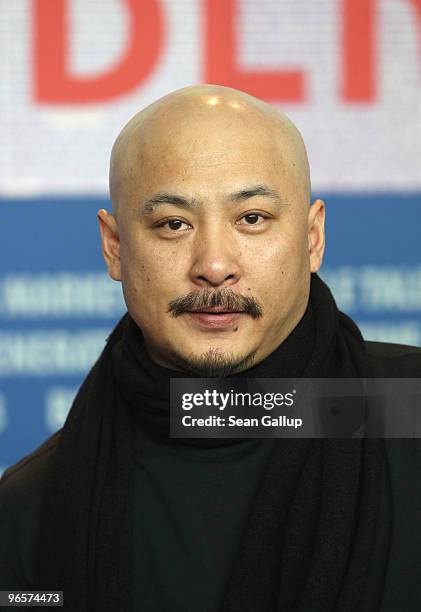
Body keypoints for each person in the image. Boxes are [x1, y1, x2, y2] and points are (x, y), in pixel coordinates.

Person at [0, 84, 420, 612]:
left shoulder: (412, 411)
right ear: (115, 248)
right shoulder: (29, 511)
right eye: (174, 224)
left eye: (251, 218)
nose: (215, 264)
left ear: (313, 238)